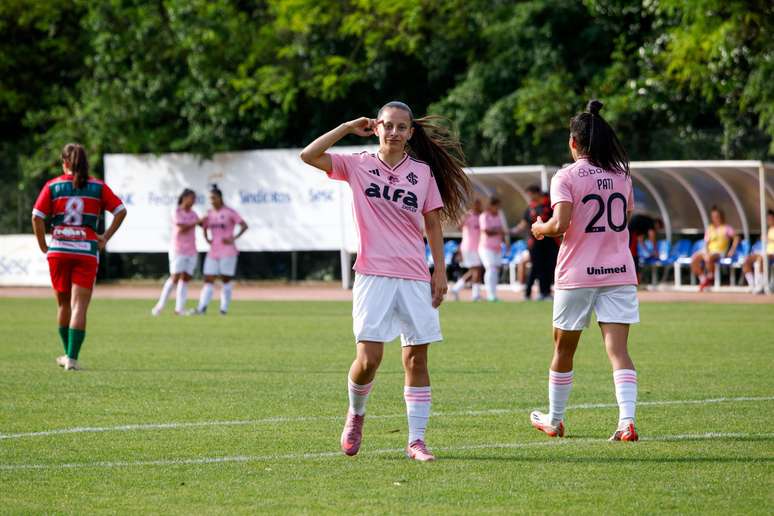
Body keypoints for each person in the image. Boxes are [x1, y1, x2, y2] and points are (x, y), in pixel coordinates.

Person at [299, 100, 471, 461]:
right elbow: (308, 155)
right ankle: (356, 414)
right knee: (369, 359)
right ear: (376, 127)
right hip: (373, 274)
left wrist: (439, 271)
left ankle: (416, 440)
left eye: (401, 127)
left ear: (410, 133)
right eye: (388, 125)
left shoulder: (422, 173)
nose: (394, 132)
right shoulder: (358, 164)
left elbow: (433, 224)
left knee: (416, 359)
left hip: (412, 276)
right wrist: (347, 126)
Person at [529, 100, 640, 442]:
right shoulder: (622, 175)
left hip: (578, 273)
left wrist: (540, 228)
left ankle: (555, 419)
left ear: (574, 142)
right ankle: (626, 422)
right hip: (619, 271)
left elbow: (560, 223)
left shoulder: (566, 176)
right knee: (618, 351)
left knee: (563, 349)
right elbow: (626, 218)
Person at [31, 143, 127, 371]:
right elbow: (121, 210)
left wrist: (44, 244)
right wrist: (104, 237)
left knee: (63, 305)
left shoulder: (53, 186)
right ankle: (71, 359)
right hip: (85, 249)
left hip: (59, 250)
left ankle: (66, 353)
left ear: (64, 162)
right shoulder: (98, 186)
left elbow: (37, 216)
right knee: (79, 307)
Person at [193, 185, 248, 315]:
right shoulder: (209, 213)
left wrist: (233, 238)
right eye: (210, 198)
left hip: (228, 251)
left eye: (213, 198)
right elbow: (203, 225)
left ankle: (223, 309)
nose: (211, 200)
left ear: (220, 198)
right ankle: (202, 308)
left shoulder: (229, 212)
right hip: (213, 251)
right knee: (208, 279)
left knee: (226, 280)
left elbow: (244, 225)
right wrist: (206, 237)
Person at [152, 189, 200, 316]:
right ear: (184, 198)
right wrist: (196, 222)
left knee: (186, 278)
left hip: (191, 249)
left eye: (194, 198)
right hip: (178, 249)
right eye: (191, 197)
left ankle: (179, 309)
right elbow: (181, 227)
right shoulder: (176, 211)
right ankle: (159, 307)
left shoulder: (194, 213)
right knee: (175, 277)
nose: (193, 201)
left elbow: (201, 224)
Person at [511, 185, 559, 300]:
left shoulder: (549, 205)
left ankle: (542, 292)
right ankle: (540, 293)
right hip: (535, 243)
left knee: (547, 267)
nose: (529, 197)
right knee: (538, 267)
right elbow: (524, 223)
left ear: (536, 193)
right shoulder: (531, 207)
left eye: (530, 194)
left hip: (550, 241)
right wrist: (511, 231)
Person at [690, 206, 739, 291]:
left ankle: (710, 277)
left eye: (717, 216)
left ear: (721, 217)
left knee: (709, 258)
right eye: (713, 217)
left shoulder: (726, 228)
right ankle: (703, 279)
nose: (715, 218)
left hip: (720, 251)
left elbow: (736, 238)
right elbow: (706, 242)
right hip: (709, 251)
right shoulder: (710, 228)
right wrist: (706, 251)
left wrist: (732, 250)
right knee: (694, 258)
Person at [450, 198, 483, 301]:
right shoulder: (469, 216)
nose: (479, 206)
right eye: (477, 204)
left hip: (478, 248)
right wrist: (464, 216)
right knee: (477, 269)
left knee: (475, 270)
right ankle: (475, 295)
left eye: (479, 204)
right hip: (469, 247)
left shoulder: (481, 217)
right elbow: (458, 227)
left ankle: (456, 288)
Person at [479, 196, 509, 302]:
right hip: (486, 247)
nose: (498, 208)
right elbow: (486, 231)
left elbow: (503, 231)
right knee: (490, 268)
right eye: (496, 206)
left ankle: (494, 293)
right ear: (491, 205)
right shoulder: (484, 216)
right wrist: (499, 231)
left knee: (495, 270)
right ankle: (490, 294)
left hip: (497, 247)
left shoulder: (499, 216)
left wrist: (506, 242)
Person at [742, 209, 774, 293]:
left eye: (771, 219)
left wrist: (769, 239)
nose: (769, 221)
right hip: (765, 252)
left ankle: (761, 284)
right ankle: (752, 284)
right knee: (747, 260)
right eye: (768, 219)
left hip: (772, 253)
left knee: (762, 258)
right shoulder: (767, 230)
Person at [628, 213, 661, 281]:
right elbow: (652, 237)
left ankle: (635, 276)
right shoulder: (651, 223)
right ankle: (634, 277)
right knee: (632, 255)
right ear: (657, 223)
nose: (657, 230)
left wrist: (648, 252)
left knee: (634, 255)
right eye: (658, 227)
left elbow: (640, 240)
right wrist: (656, 251)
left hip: (631, 231)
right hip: (632, 231)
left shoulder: (644, 225)